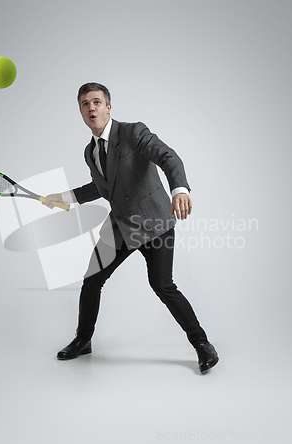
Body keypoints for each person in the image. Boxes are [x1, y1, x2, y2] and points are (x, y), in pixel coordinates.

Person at [43, 82, 218, 373]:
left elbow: (168, 157)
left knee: (162, 285)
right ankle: (83, 340)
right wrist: (63, 199)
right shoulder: (90, 152)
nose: (91, 108)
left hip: (154, 221)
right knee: (92, 280)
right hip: (121, 226)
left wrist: (180, 190)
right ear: (81, 112)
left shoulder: (133, 132)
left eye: (96, 102)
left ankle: (202, 344)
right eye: (85, 104)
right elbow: (100, 187)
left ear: (108, 107)